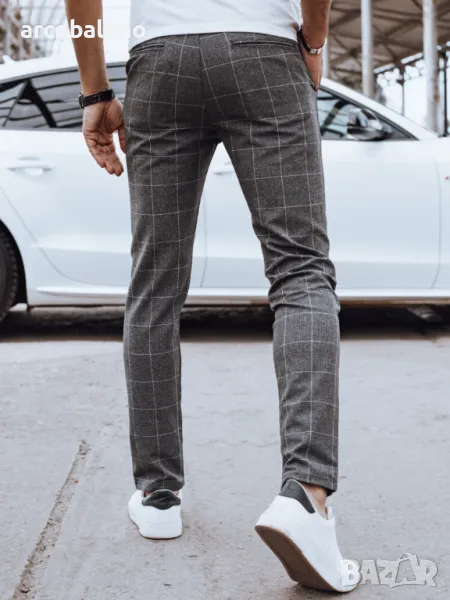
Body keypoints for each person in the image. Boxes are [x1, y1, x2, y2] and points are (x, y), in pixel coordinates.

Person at [66, 0, 358, 592]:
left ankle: (158, 495)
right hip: (265, 52)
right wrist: (313, 42)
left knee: (155, 284)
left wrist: (95, 92)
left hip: (160, 62)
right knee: (300, 271)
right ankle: (305, 495)